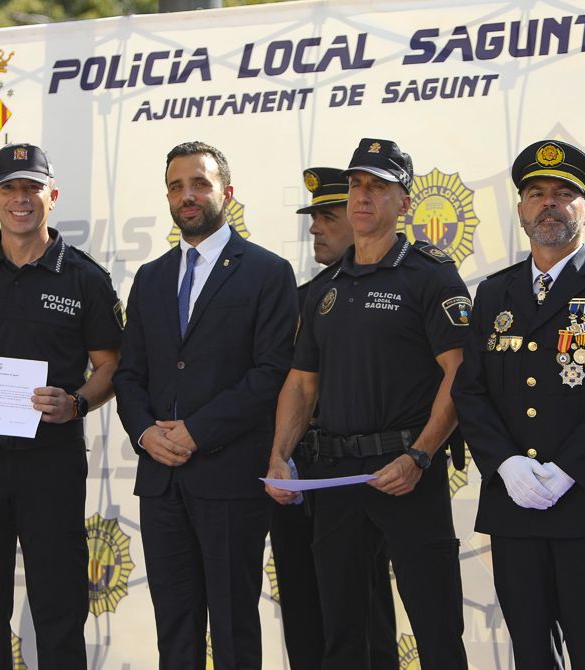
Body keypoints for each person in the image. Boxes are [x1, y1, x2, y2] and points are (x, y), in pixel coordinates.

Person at [265, 138, 470, 670]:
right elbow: (301, 383)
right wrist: (279, 457)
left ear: (404, 202)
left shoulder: (430, 274)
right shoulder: (323, 288)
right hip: (335, 480)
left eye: (378, 186)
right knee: (345, 637)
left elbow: (460, 372)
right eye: (357, 184)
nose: (362, 196)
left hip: (406, 473)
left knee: (437, 629)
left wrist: (421, 456)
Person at [0, 143, 123, 669]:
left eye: (31, 188)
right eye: (9, 188)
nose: (20, 199)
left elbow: (111, 366)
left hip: (50, 459)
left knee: (59, 602)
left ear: (51, 196)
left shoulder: (84, 277)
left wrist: (76, 402)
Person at [452, 140, 585, 669]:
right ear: (519, 209)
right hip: (514, 508)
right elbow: (470, 390)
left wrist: (567, 470)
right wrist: (505, 464)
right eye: (536, 193)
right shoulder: (493, 294)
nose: (548, 204)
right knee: (531, 657)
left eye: (564, 194)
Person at [113, 141, 298, 669]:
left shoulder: (267, 271)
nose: (187, 196)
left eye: (199, 184)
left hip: (231, 477)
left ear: (227, 193)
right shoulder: (150, 278)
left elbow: (270, 374)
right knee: (174, 625)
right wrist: (146, 433)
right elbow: (130, 374)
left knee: (235, 625)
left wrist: (196, 431)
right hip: (161, 480)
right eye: (176, 186)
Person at [269, 167, 397, 670]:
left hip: (357, 474)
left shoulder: (400, 286)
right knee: (304, 607)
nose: (315, 228)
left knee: (364, 616)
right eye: (314, 217)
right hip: (299, 477)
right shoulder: (307, 295)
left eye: (327, 215)